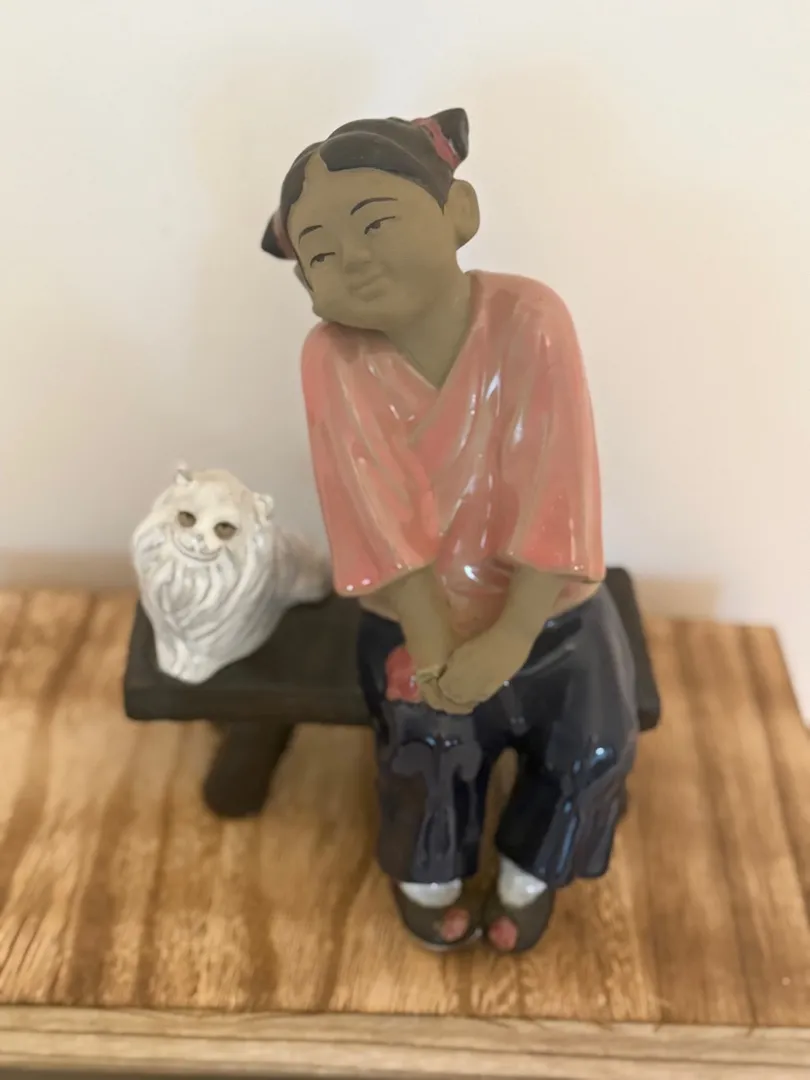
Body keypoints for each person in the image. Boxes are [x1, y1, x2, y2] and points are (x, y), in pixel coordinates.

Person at [261, 108, 638, 953]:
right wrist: (433, 645)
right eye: (321, 253)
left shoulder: (531, 318)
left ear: (458, 213)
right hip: (412, 613)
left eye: (376, 224)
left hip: (552, 608)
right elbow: (368, 506)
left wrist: (510, 635)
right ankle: (428, 872)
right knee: (428, 743)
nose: (353, 259)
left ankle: (531, 870)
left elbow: (556, 482)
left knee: (593, 741)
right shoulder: (332, 357)